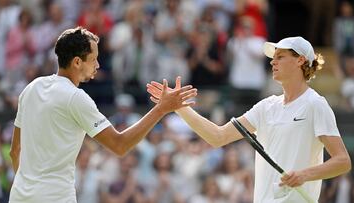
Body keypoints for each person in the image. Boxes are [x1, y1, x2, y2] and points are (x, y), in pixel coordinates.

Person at [147, 36, 352, 202]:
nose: (273, 61)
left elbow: (342, 162)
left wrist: (304, 174)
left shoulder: (316, 104)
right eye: (274, 57)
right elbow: (217, 137)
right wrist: (179, 108)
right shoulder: (266, 106)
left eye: (280, 56)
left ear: (300, 60)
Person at [8, 26, 197, 203]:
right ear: (77, 62)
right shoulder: (76, 98)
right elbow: (119, 145)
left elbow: (15, 150)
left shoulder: (31, 88)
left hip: (18, 196)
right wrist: (161, 109)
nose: (98, 65)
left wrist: (26, 188)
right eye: (94, 59)